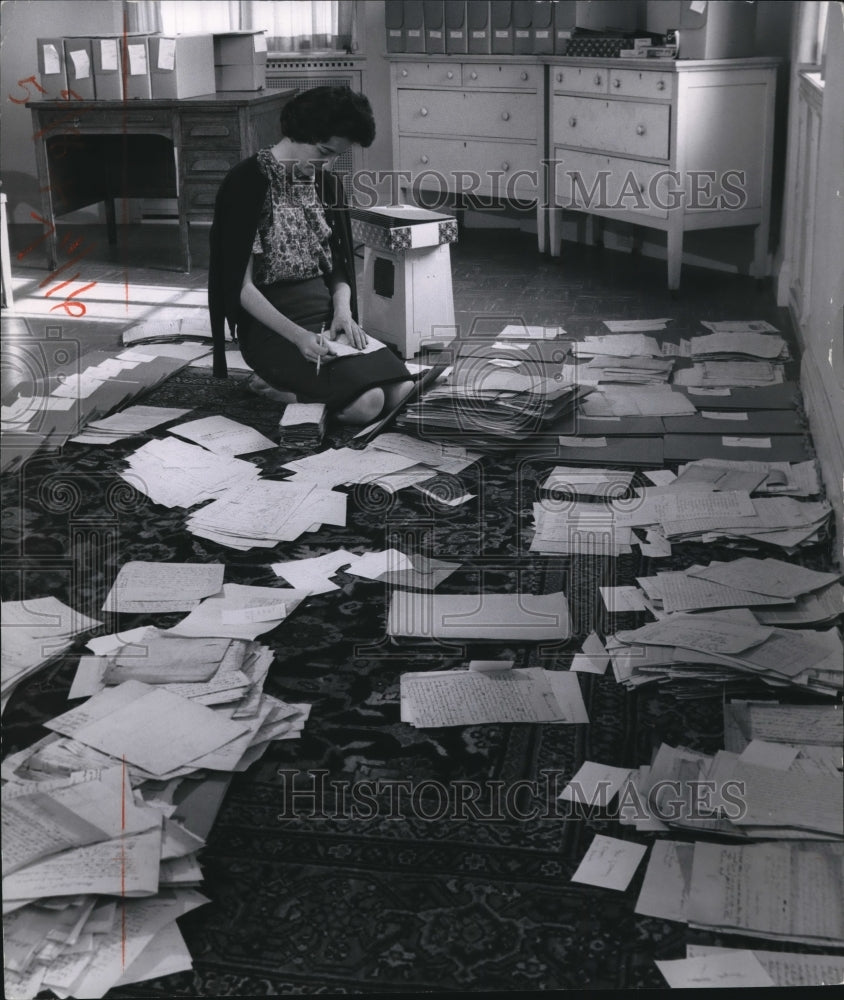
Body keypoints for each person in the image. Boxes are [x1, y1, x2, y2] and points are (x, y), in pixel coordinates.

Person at [208, 87, 413, 424]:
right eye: (324, 152)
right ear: (300, 133)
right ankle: (284, 393)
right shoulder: (245, 183)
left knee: (401, 391)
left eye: (335, 156)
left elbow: (338, 269)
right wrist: (299, 337)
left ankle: (301, 391)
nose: (327, 164)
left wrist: (344, 314)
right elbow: (240, 287)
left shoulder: (325, 184)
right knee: (367, 405)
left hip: (327, 317)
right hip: (272, 328)